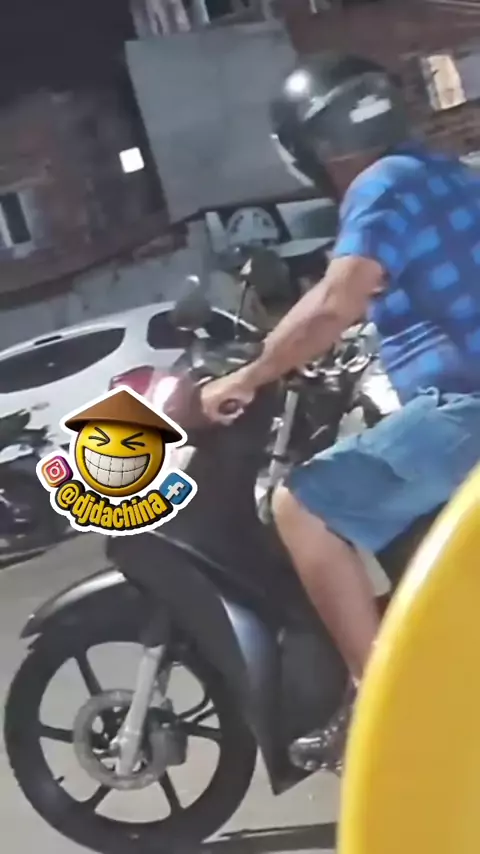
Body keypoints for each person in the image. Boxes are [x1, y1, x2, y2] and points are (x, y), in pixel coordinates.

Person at [201, 51, 480, 774]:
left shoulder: (378, 186)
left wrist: (249, 375)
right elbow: (386, 292)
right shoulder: (443, 172)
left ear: (306, 145)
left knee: (302, 506)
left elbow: (336, 300)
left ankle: (382, 703)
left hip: (466, 410)